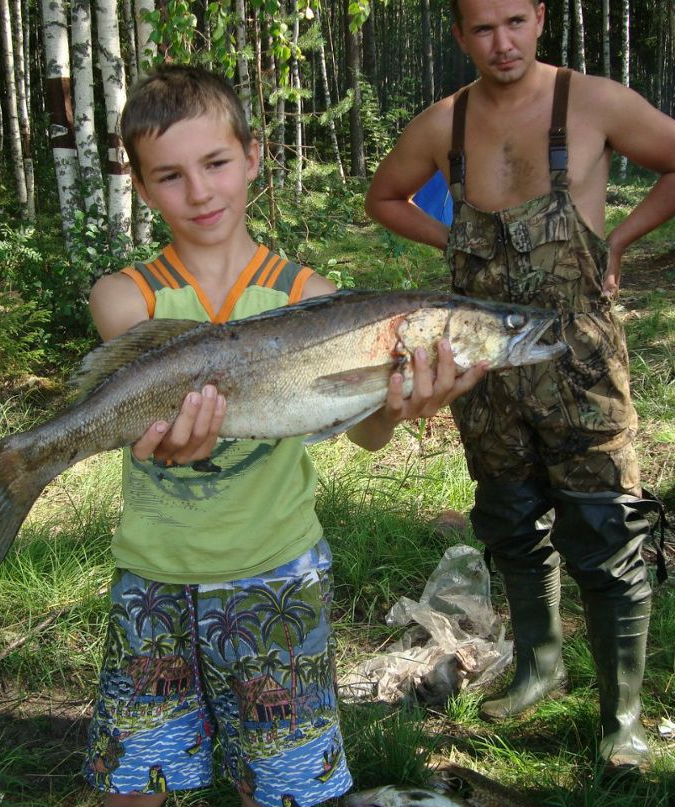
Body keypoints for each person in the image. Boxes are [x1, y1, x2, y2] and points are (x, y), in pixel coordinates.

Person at [83, 64, 487, 807]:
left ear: (254, 157)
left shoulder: (318, 300)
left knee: (284, 789)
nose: (200, 192)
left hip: (277, 580)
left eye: (215, 164)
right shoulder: (124, 297)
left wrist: (401, 402)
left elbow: (362, 433)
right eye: (170, 176)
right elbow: (144, 403)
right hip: (154, 579)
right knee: (132, 787)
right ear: (140, 187)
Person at [364, 0, 675, 772]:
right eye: (483, 28)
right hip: (483, 368)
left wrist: (617, 238)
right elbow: (382, 197)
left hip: (580, 360)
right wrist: (450, 234)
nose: (503, 42)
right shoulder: (442, 124)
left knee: (605, 530)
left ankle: (622, 719)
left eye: (516, 21)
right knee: (510, 517)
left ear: (541, 19)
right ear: (459, 36)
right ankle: (538, 666)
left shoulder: (592, 102)